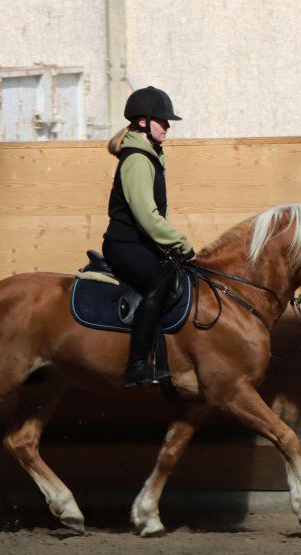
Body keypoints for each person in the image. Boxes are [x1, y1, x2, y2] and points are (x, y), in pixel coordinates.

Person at [102, 86, 195, 388]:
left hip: (141, 243)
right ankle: (137, 365)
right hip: (125, 245)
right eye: (162, 121)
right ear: (143, 122)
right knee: (158, 284)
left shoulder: (150, 156)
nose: (167, 127)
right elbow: (147, 216)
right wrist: (180, 242)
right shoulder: (137, 161)